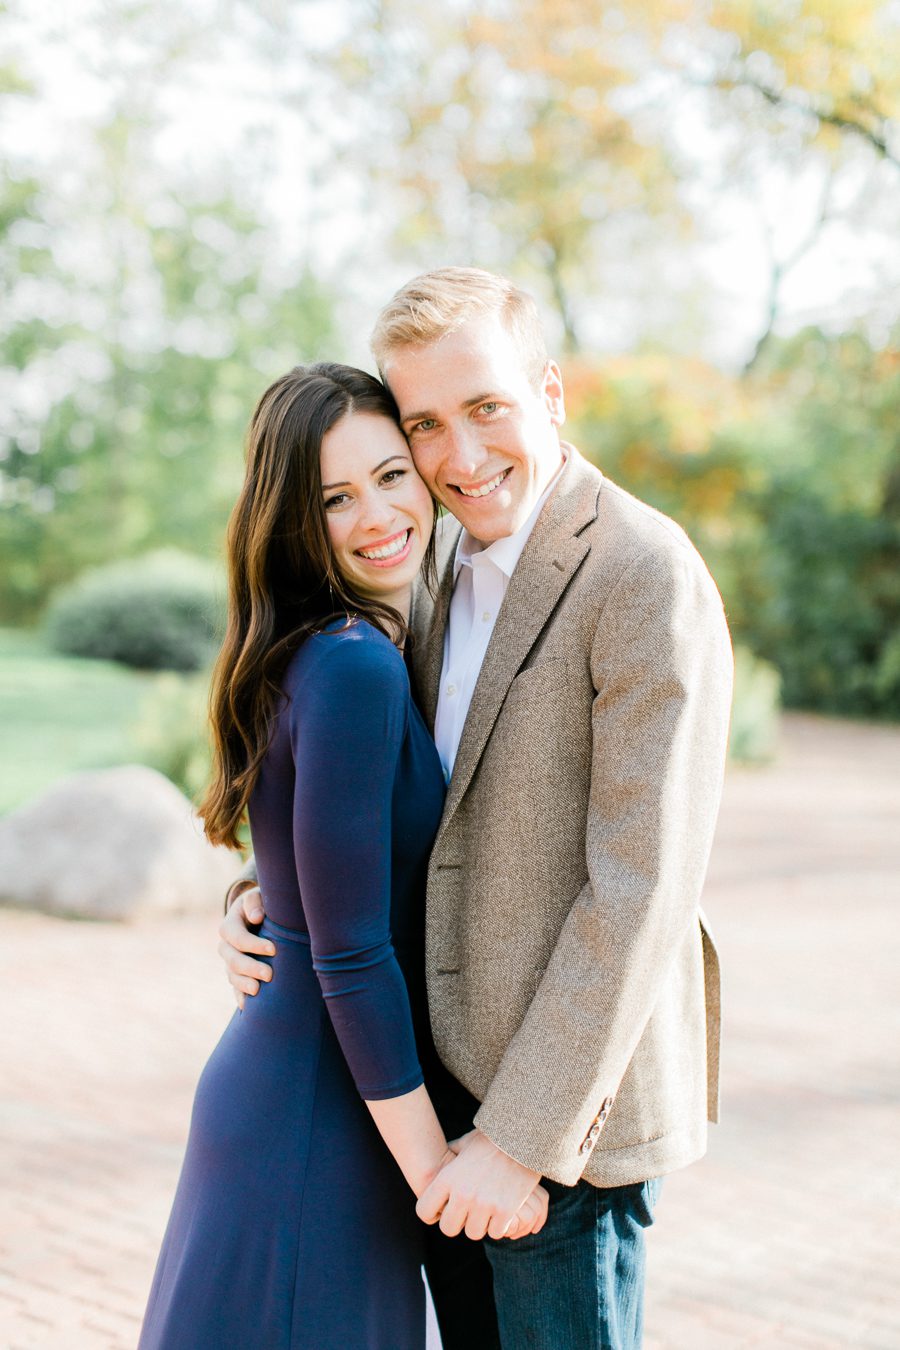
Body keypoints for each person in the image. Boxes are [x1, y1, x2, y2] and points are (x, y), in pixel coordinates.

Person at [220, 269, 734, 1350]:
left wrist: (520, 1142)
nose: (459, 457)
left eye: (486, 408)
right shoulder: (436, 558)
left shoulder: (643, 572)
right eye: (426, 426)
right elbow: (408, 804)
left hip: (559, 1138)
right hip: (440, 1114)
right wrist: (270, 896)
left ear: (549, 392)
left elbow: (640, 886)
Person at [139, 363, 549, 1350]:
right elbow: (352, 951)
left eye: (392, 475)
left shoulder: (334, 648)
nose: (378, 515)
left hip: (303, 1102)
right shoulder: (357, 664)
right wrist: (438, 1182)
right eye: (335, 497)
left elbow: (311, 869)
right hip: (318, 1132)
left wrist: (259, 904)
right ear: (293, 519)